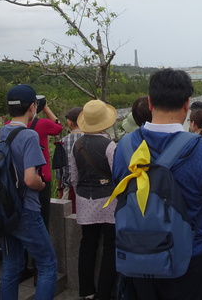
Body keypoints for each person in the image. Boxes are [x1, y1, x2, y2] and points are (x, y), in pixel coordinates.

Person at [112, 68, 202, 300]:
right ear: (187, 104)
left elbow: (120, 193)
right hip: (190, 259)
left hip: (137, 256)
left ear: (150, 102)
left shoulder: (125, 147)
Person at [0, 84, 57, 300]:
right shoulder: (29, 136)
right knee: (47, 264)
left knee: (11, 266)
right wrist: (41, 185)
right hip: (25, 209)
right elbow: (30, 179)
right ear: (33, 107)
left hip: (3, 210)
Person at [70, 100, 119, 300]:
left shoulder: (77, 144)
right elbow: (117, 174)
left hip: (84, 201)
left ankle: (86, 291)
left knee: (87, 245)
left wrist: (82, 194)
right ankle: (105, 293)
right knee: (110, 247)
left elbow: (74, 177)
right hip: (108, 201)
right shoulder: (109, 145)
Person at [28, 95, 63, 231]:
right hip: (41, 176)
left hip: (20, 178)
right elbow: (58, 127)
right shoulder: (43, 123)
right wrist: (47, 109)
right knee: (43, 219)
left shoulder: (8, 125)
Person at [59, 106, 83, 212]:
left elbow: (58, 170)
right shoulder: (93, 138)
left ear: (70, 122)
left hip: (69, 189)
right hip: (90, 189)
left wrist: (59, 189)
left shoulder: (62, 142)